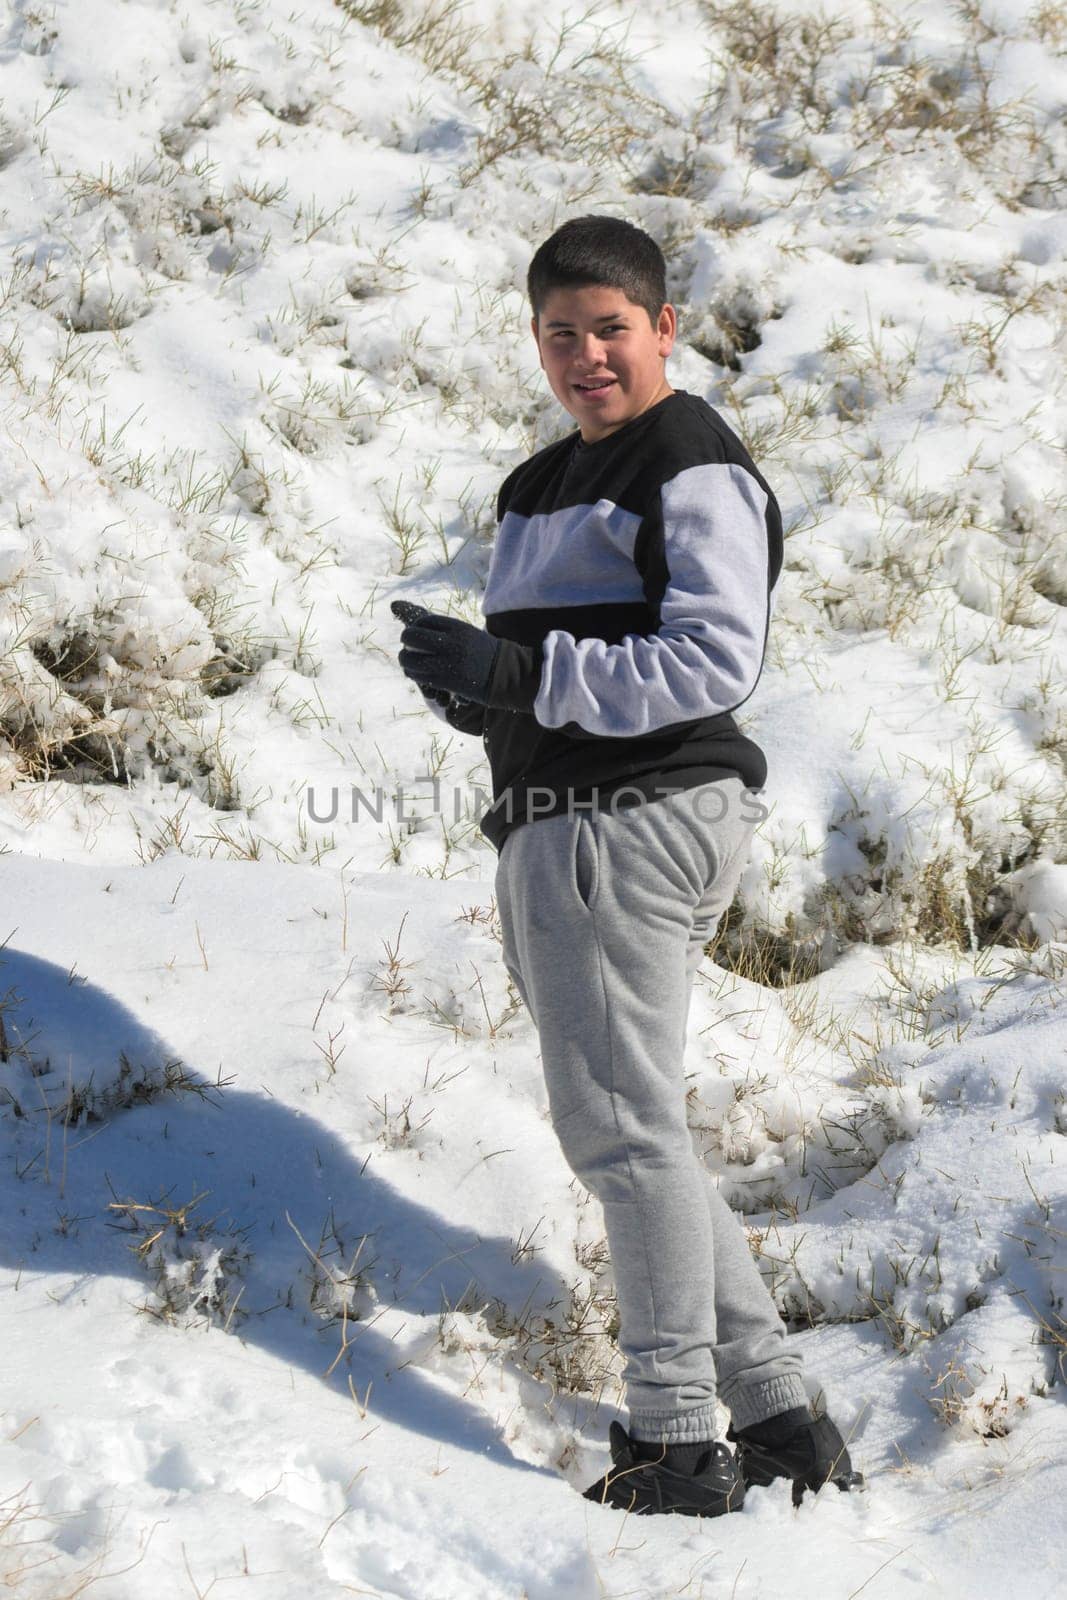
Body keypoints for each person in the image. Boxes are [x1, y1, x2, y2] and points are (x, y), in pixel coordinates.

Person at [392, 215, 861, 1517]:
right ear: (535, 339)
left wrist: (527, 677)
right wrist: (483, 695)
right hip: (558, 816)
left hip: (633, 817)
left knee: (617, 1131)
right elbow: (561, 679)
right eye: (561, 332)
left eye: (612, 327)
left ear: (663, 329)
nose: (587, 353)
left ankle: (676, 1440)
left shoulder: (690, 457)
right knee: (638, 1125)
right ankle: (775, 1417)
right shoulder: (535, 491)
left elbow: (713, 658)